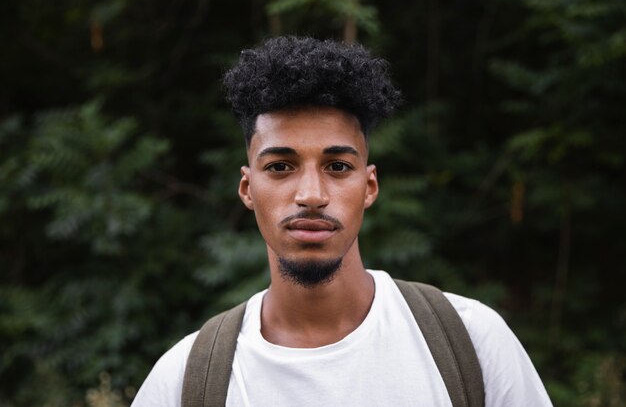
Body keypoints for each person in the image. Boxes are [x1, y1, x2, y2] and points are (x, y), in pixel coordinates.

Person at [132, 36, 552, 407]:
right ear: (247, 189)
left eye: (336, 165)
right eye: (280, 166)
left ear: (369, 186)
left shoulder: (471, 343)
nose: (311, 194)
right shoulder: (186, 381)